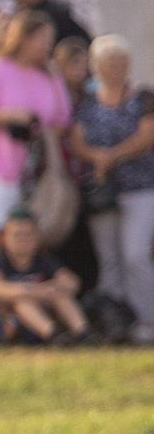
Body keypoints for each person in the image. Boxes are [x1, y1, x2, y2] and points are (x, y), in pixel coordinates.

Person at [0, 9, 70, 251]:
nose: (47, 46)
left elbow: (62, 120)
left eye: (50, 40)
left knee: (36, 234)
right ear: (23, 38)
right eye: (42, 39)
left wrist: (40, 131)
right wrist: (11, 116)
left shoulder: (50, 75)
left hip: (36, 169)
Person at [70, 34, 154, 342]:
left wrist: (112, 156)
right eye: (109, 62)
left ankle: (147, 320)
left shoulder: (143, 98)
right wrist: (96, 158)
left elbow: (148, 136)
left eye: (121, 61)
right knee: (109, 257)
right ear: (97, 66)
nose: (116, 67)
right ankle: (116, 320)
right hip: (102, 191)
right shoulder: (88, 103)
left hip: (140, 187)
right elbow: (77, 140)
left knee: (135, 254)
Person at [0, 210, 87, 344]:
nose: (23, 240)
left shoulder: (43, 259)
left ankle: (84, 333)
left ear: (37, 237)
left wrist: (53, 288)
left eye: (28, 234)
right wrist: (34, 291)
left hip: (43, 309)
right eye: (17, 235)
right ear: (4, 238)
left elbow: (72, 282)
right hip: (9, 323)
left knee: (61, 296)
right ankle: (53, 334)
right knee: (21, 302)